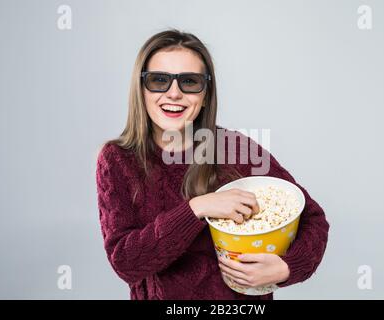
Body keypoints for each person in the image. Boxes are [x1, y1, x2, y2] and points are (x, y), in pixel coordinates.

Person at [95, 29, 329, 300]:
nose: (174, 94)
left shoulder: (237, 150)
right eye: (159, 80)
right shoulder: (117, 159)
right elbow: (126, 262)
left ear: (205, 94)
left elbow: (313, 219)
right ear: (141, 89)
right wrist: (198, 207)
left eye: (190, 82)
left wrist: (287, 267)